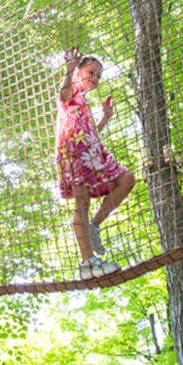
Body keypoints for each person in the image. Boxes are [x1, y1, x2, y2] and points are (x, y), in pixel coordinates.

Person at [56, 48, 135, 280]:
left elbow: (91, 133)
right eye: (91, 72)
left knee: (127, 179)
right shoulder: (71, 93)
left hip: (93, 153)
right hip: (73, 153)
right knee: (82, 201)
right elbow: (62, 94)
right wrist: (69, 69)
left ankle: (94, 225)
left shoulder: (85, 103)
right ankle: (87, 262)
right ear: (80, 71)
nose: (95, 78)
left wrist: (106, 117)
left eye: (99, 76)